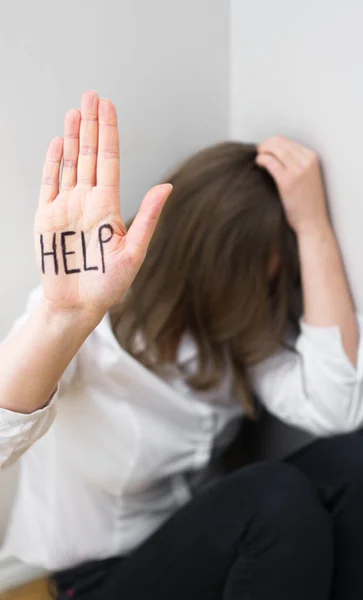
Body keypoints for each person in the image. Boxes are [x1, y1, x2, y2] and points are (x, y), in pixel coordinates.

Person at [0, 90, 363, 600]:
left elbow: (337, 409)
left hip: (207, 550)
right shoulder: (92, 332)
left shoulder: (234, 334)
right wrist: (62, 318)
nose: (279, 292)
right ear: (225, 272)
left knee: (355, 462)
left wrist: (314, 226)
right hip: (97, 580)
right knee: (276, 497)